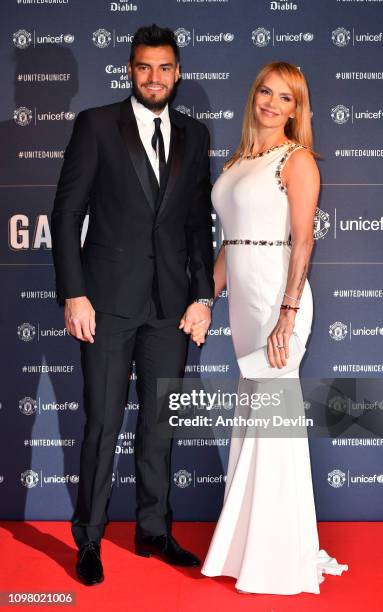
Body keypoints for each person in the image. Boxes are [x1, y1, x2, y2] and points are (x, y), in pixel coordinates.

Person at [51, 24, 214, 586]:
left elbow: (197, 227)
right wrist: (75, 292)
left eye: (165, 67)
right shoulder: (96, 125)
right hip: (107, 305)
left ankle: (152, 529)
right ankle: (89, 538)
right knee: (101, 424)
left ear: (177, 72)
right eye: (144, 67)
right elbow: (67, 214)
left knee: (160, 427)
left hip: (170, 309)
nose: (154, 78)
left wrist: (202, 295)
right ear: (129, 70)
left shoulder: (195, 135)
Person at [196, 62, 348, 594]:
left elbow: (302, 241)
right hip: (244, 299)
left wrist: (287, 313)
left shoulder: (297, 159)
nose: (271, 103)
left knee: (275, 422)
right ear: (254, 95)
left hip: (277, 301)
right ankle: (247, 544)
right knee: (256, 418)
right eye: (265, 91)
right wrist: (204, 299)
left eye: (285, 98)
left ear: (296, 110)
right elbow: (231, 245)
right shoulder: (240, 159)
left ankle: (279, 554)